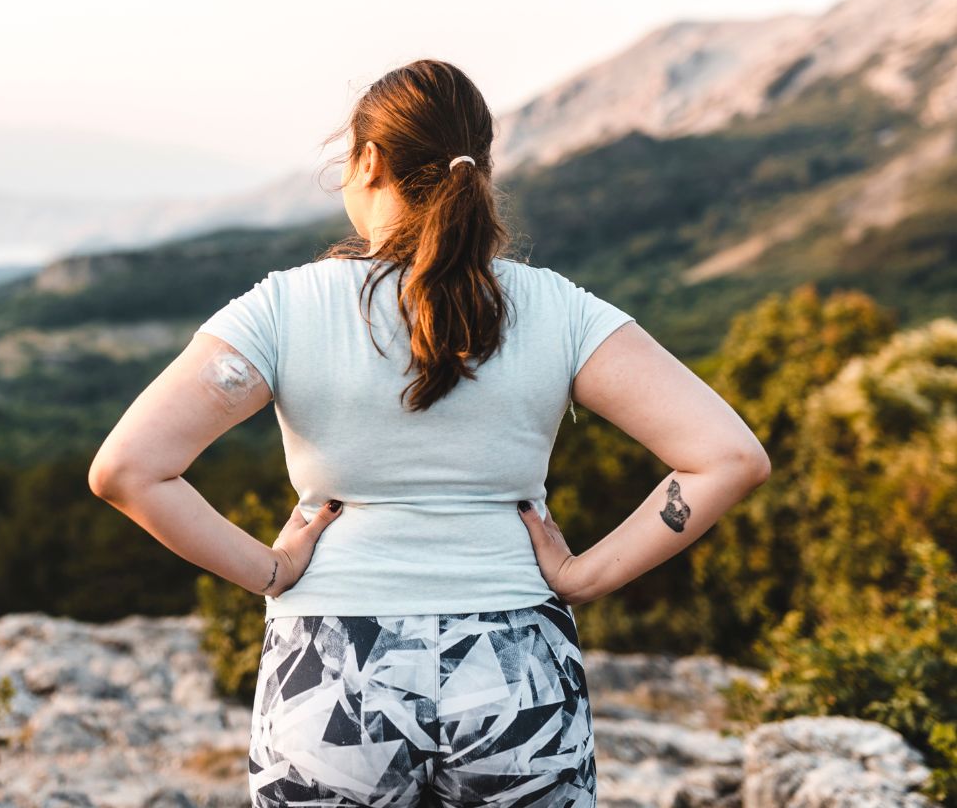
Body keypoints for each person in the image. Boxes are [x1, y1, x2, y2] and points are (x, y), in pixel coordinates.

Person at [88, 59, 771, 807]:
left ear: (369, 161)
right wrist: (586, 576)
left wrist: (269, 569)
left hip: (332, 666)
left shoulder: (284, 308)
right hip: (516, 667)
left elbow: (128, 470)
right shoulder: (560, 309)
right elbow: (727, 457)